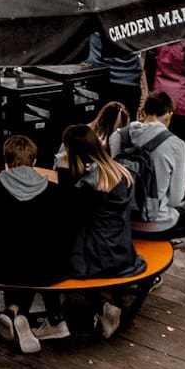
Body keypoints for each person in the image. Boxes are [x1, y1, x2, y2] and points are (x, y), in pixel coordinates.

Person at [112, 91, 185, 304]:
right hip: (155, 224)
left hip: (120, 221)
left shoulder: (119, 136)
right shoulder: (176, 144)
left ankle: (152, 275)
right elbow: (177, 198)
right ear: (169, 114)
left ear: (143, 112)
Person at [0, 135, 71, 354]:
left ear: (7, 161)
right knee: (32, 259)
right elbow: (62, 229)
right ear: (34, 160)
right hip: (43, 271)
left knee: (15, 257)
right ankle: (17, 314)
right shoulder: (53, 190)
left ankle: (13, 312)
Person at [56, 124, 144, 337]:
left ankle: (98, 306)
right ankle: (101, 308)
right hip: (123, 249)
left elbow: (68, 213)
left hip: (98, 254)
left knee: (57, 259)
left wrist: (62, 172)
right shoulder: (119, 172)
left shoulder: (88, 185)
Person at [149, 31, 185, 152]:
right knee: (182, 149)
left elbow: (149, 65)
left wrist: (153, 91)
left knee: (159, 149)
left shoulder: (158, 32)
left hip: (160, 95)